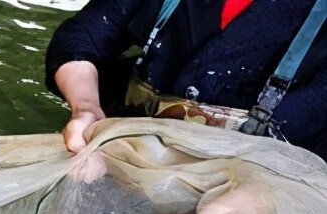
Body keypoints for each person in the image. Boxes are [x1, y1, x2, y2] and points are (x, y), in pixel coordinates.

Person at [45, 0, 327, 160]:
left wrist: (261, 207)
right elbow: (81, 39)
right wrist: (85, 107)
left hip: (250, 193)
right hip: (121, 152)